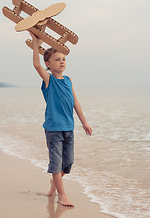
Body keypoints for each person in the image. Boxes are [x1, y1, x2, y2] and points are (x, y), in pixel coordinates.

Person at [29, 31, 92, 207]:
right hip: (53, 129)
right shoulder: (49, 80)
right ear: (48, 64)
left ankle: (54, 182)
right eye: (57, 59)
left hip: (69, 128)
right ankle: (62, 195)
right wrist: (36, 43)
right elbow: (35, 64)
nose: (62, 61)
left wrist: (84, 122)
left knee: (68, 162)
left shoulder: (69, 80)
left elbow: (75, 103)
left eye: (64, 59)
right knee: (56, 163)